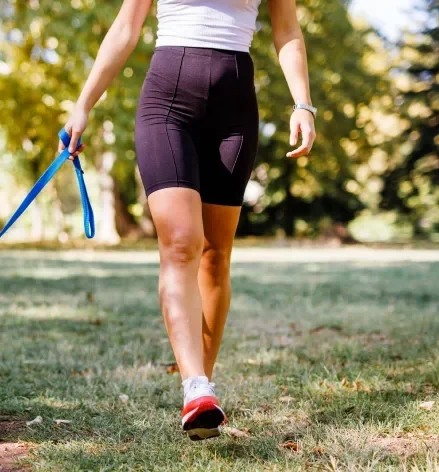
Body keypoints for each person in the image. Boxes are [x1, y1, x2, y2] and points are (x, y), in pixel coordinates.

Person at [61, 0, 316, 441]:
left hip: (235, 106)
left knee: (216, 255)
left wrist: (303, 103)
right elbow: (127, 26)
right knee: (181, 242)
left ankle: (202, 397)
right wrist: (84, 103)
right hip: (168, 100)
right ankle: (194, 384)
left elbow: (288, 29)